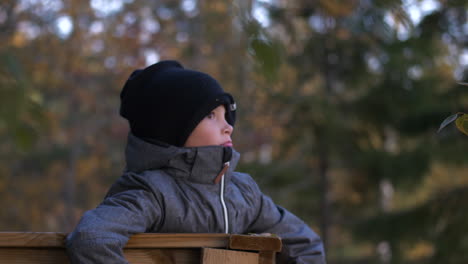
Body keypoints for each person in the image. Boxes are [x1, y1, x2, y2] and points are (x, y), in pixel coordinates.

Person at [66, 60, 326, 263]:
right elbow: (92, 238)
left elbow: (306, 244)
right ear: (172, 127)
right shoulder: (151, 192)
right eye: (212, 115)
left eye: (227, 115)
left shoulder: (243, 193)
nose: (228, 127)